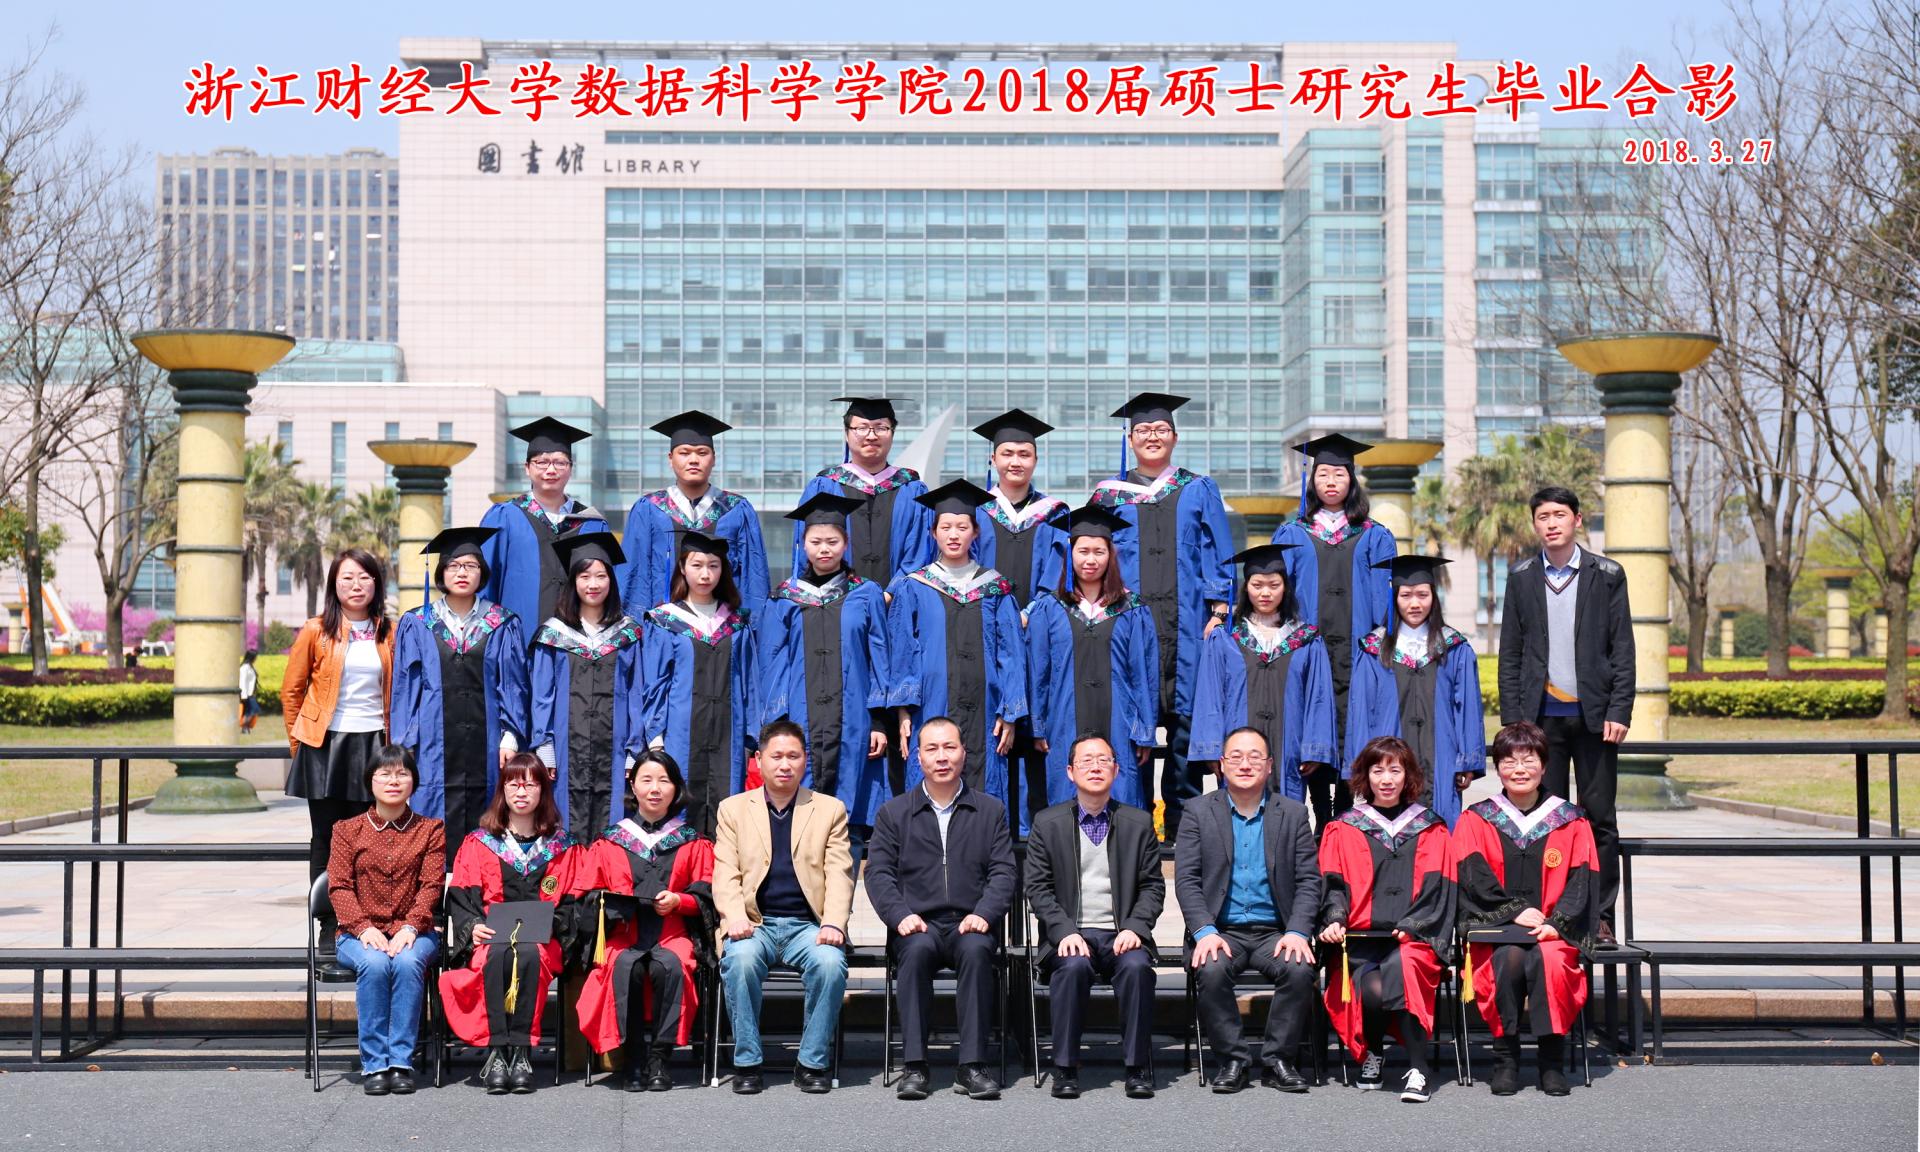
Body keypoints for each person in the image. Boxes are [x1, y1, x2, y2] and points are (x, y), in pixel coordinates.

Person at [1090, 392, 1234, 842]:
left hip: (1188, 624)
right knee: (1128, 721)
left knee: (1185, 723)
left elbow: (1217, 551)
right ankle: (1129, 825)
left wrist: (1220, 608)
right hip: (1127, 626)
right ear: (1130, 438)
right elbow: (1092, 557)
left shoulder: (1198, 488)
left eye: (1160, 430)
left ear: (1175, 436)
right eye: (1143, 430)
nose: (1152, 437)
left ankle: (1183, 825)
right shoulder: (1108, 495)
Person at [1497, 486, 1633, 944]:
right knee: (1544, 819)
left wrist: (1619, 708)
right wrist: (1515, 721)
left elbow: (1622, 648)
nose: (1551, 523)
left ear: (1577, 520)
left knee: (1599, 819)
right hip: (1541, 720)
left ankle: (1600, 917)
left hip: (1596, 719)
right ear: (1534, 524)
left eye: (1559, 515)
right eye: (1543, 516)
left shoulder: (1607, 574)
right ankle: (1551, 913)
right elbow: (1511, 652)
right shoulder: (1521, 577)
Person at [865, 716, 1017, 1101]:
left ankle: (972, 1066)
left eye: (950, 747)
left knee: (978, 951)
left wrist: (984, 913)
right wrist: (900, 915)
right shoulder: (894, 813)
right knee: (915, 953)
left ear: (964, 753)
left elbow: (1004, 872)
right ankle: (915, 1065)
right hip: (918, 923)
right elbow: (878, 873)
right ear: (918, 757)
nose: (942, 756)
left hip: (971, 921)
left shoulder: (990, 810)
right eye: (932, 749)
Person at [1451, 721, 1598, 1097]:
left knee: (1551, 962)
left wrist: (1557, 923)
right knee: (1507, 959)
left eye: (1529, 760)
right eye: (1509, 761)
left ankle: (1551, 1061)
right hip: (1498, 929)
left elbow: (1581, 880)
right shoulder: (1477, 818)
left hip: (1552, 930)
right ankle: (1506, 1059)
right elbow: (1471, 876)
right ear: (1498, 768)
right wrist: (1512, 911)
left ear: (1544, 766)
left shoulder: (1571, 820)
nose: (1519, 769)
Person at [1176, 726, 1320, 1094]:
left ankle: (1278, 1060)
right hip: (1221, 930)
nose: (1245, 764)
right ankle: (1233, 1060)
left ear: (1269, 765)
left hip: (1275, 931)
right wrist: (1204, 931)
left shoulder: (1292, 813)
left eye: (1255, 757)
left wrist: (1298, 931)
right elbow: (1187, 880)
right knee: (1210, 969)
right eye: (1236, 757)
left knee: (1299, 969)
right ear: (1221, 764)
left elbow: (1309, 880)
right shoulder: (1197, 812)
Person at [713, 720, 854, 1095]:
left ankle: (811, 1063)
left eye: (793, 756)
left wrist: (834, 923)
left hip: (808, 926)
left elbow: (840, 873)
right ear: (758, 760)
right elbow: (725, 872)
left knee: (830, 964)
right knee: (740, 961)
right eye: (776, 756)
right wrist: (734, 916)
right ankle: (747, 1062)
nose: (785, 764)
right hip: (753, 923)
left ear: (805, 760)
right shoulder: (733, 810)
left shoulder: (829, 810)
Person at [1024, 734, 1163, 1100]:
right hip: (1070, 934)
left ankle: (1137, 1066)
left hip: (1122, 935)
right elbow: (1037, 888)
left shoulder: (1138, 823)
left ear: (1116, 770)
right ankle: (1065, 1067)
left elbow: (1153, 887)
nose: (1096, 767)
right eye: (1086, 761)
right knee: (1072, 968)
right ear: (1070, 772)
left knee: (1136, 968)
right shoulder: (1048, 823)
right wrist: (1064, 931)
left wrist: (1135, 927)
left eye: (1104, 760)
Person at [1317, 736, 1454, 1103]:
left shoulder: (1430, 827)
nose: (1387, 779)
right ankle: (1373, 1052)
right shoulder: (1344, 827)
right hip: (1360, 940)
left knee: (1401, 967)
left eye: (1395, 770)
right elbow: (1332, 883)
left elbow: (1438, 888)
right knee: (1371, 985)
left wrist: (1413, 925)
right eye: (1378, 770)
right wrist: (1334, 918)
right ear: (1366, 776)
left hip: (1414, 939)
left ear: (1408, 775)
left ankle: (1418, 1069)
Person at [1271, 434, 1398, 829]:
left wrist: (1380, 639)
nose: (1331, 481)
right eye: (1323, 473)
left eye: (1339, 474)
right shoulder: (1293, 533)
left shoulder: (1374, 534)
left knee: (1353, 728)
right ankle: (1320, 813)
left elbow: (1386, 597)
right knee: (1311, 725)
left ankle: (1344, 811)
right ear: (1311, 480)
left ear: (1352, 480)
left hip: (1358, 653)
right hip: (1308, 652)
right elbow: (1278, 592)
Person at [438, 754, 582, 1095]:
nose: (521, 791)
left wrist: (550, 926)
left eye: (530, 784)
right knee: (495, 955)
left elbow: (575, 901)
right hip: (490, 939)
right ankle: (497, 1054)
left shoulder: (562, 847)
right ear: (502, 790)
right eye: (514, 783)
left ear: (543, 791)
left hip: (544, 942)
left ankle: (521, 1053)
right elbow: (461, 897)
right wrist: (473, 925)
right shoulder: (479, 843)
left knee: (529, 954)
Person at [575, 749, 716, 1092]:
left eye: (664, 781)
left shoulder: (693, 841)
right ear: (633, 786)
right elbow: (585, 896)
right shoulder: (610, 841)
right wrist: (614, 904)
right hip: (624, 934)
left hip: (672, 933)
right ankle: (633, 1058)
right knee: (627, 967)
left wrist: (680, 901)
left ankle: (659, 1060)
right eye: (647, 780)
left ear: (676, 788)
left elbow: (710, 894)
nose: (655, 788)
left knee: (672, 965)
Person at [391, 526, 533, 863]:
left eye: (470, 566)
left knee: (489, 819)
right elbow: (406, 687)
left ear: (482, 573)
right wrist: (405, 743)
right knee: (432, 820)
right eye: (454, 566)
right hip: (433, 745)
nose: (462, 573)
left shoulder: (502, 623)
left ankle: (484, 890)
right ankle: (435, 891)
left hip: (488, 745)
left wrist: (510, 736)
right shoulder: (418, 622)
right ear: (441, 573)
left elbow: (513, 684)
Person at [888, 480, 1028, 820]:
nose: (954, 535)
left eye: (962, 527)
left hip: (986, 709)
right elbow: (903, 652)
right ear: (933, 533)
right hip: (930, 704)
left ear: (975, 532)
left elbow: (1011, 653)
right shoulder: (914, 587)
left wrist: (1010, 712)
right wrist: (904, 711)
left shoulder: (995, 588)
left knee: (983, 791)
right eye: (946, 527)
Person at [759, 492, 893, 846]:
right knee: (799, 814)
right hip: (800, 717)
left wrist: (879, 721)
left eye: (832, 541)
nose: (824, 549)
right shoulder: (784, 597)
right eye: (816, 541)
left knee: (850, 818)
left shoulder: (866, 593)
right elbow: (772, 662)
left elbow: (879, 657)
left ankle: (842, 881)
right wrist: (776, 721)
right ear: (803, 544)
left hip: (855, 717)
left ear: (846, 544)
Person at [285, 548, 396, 949]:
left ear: (376, 584)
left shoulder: (390, 631)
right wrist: (301, 746)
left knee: (373, 838)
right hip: (325, 747)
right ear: (334, 583)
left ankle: (365, 924)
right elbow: (292, 691)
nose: (356, 585)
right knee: (327, 840)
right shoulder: (316, 630)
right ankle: (329, 926)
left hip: (375, 745)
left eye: (365, 577)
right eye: (347, 577)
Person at [1025, 505, 1159, 821]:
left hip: (1120, 721)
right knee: (1065, 797)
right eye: (1082, 551)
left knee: (1121, 797)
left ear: (1111, 555)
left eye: (1099, 552)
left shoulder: (1132, 608)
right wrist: (1038, 725)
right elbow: (1038, 671)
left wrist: (1145, 728)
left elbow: (1143, 672)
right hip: (1063, 720)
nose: (1090, 560)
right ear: (1069, 555)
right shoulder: (1050, 607)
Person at [972, 409, 1070, 832]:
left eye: (1024, 454)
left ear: (1035, 460)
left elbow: (1057, 572)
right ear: (993, 459)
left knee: (1038, 729)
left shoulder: (1055, 512)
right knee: (995, 727)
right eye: (1007, 453)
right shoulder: (975, 512)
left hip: (1038, 634)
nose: (1016, 461)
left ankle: (1036, 833)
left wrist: (1031, 612)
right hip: (987, 637)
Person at [327, 744, 444, 1096]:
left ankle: (401, 1062)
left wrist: (411, 926)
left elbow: (432, 885)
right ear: (370, 781)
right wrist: (364, 928)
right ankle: (375, 1063)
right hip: (356, 933)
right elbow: (339, 886)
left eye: (402, 774)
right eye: (385, 774)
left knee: (407, 962)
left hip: (416, 930)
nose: (394, 781)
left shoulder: (431, 829)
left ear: (414, 782)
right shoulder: (346, 830)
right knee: (376, 964)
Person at [1190, 545, 1337, 807]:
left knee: (1287, 812)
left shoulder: (1306, 639)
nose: (1265, 593)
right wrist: (1212, 747)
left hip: (1289, 746)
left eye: (1274, 585)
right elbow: (1209, 695)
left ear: (1286, 587)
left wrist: (1314, 748)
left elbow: (1319, 697)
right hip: (1237, 747)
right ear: (1246, 587)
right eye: (1257, 585)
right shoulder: (1225, 637)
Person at [1346, 556, 1486, 828]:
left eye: (1423, 595)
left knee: (1441, 827)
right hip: (1388, 756)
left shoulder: (1454, 647)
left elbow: (1467, 708)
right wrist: (1362, 764)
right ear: (1394, 598)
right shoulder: (1373, 650)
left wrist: (1467, 760)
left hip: (1441, 755)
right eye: (1406, 595)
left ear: (1434, 597)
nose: (1414, 604)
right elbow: (1360, 710)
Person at [640, 532, 759, 838]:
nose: (705, 574)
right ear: (682, 568)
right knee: (680, 811)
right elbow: (656, 683)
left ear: (723, 570)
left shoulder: (738, 623)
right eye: (697, 565)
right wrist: (656, 737)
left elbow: (749, 683)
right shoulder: (665, 621)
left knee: (727, 815)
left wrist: (751, 738)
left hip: (728, 734)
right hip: (680, 735)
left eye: (713, 566)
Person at [528, 531, 645, 843]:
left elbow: (636, 694)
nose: (593, 584)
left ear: (611, 582)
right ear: (573, 582)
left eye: (601, 576)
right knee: (564, 818)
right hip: (564, 749)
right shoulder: (553, 635)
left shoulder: (628, 635)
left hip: (616, 749)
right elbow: (542, 696)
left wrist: (634, 750)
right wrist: (544, 747)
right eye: (585, 576)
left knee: (614, 819)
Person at [619, 410, 771, 614]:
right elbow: (634, 577)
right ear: (670, 458)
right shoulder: (649, 509)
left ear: (714, 458)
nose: (693, 460)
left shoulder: (736, 510)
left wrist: (748, 627)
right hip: (663, 625)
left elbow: (754, 579)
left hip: (723, 625)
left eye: (702, 453)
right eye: (684, 453)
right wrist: (643, 628)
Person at [481, 417, 611, 638]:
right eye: (541, 462)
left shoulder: (592, 523)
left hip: (579, 645)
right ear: (527, 468)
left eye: (560, 463)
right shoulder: (504, 517)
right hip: (518, 641)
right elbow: (485, 583)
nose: (551, 469)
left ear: (570, 469)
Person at [790, 396, 932, 592]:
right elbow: (808, 553)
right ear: (847, 434)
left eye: (881, 428)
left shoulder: (912, 490)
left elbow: (921, 552)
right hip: (837, 602)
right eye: (861, 428)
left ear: (892, 433)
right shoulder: (824, 486)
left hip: (900, 603)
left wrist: (892, 594)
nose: (871, 436)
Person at [238, 650, 261, 732]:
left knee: (249, 711)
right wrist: (243, 695)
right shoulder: (244, 668)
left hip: (250, 694)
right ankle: (243, 726)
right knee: (254, 709)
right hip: (246, 694)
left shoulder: (250, 667)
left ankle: (245, 728)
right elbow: (242, 682)